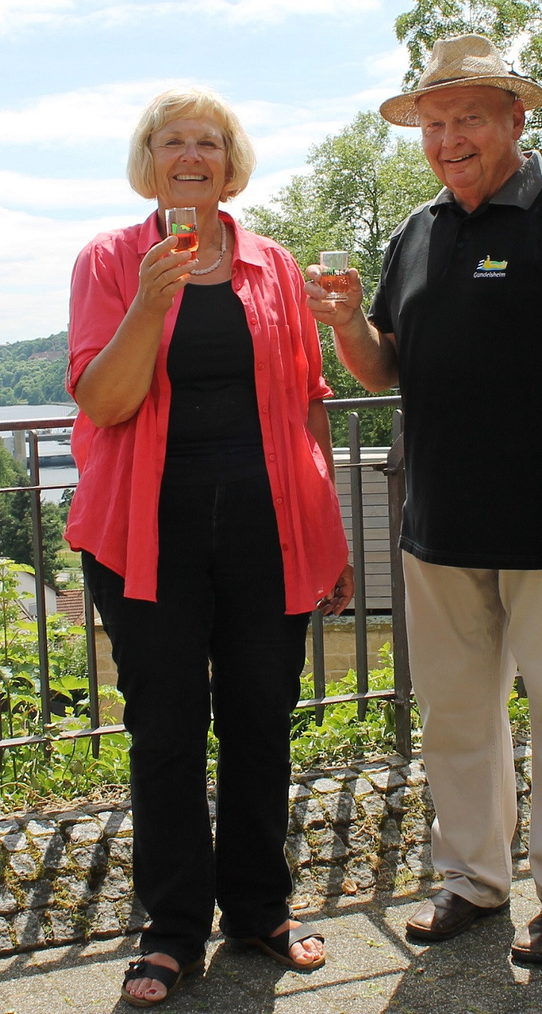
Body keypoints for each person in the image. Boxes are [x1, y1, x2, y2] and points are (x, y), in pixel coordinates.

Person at [309, 34, 542, 966]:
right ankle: (472, 878)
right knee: (458, 718)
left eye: (467, 117)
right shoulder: (417, 232)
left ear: (515, 116)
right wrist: (348, 322)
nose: (448, 138)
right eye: (433, 123)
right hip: (440, 528)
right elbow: (386, 367)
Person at [67, 86, 356, 1007]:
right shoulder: (111, 260)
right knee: (166, 728)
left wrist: (329, 532)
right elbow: (103, 399)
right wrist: (150, 304)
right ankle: (172, 930)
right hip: (146, 532)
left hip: (271, 527)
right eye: (171, 141)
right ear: (148, 160)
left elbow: (309, 402)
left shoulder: (273, 264)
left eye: (208, 142)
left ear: (231, 165)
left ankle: (261, 909)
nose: (190, 155)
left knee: (262, 717)